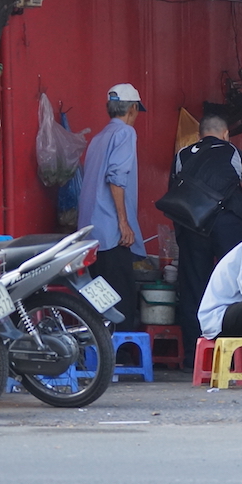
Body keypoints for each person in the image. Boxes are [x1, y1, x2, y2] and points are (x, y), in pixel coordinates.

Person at [165, 114, 242, 358]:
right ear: (226, 134)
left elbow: (173, 197)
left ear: (199, 135)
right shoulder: (232, 152)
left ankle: (193, 356)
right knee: (237, 285)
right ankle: (237, 354)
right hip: (228, 224)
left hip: (192, 226)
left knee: (194, 288)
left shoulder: (182, 155)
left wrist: (181, 235)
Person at [79, 82, 146, 329]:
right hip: (111, 232)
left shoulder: (98, 137)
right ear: (132, 109)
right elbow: (116, 178)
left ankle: (100, 351)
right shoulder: (125, 133)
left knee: (99, 297)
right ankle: (122, 354)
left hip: (91, 231)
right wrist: (123, 222)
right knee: (122, 299)